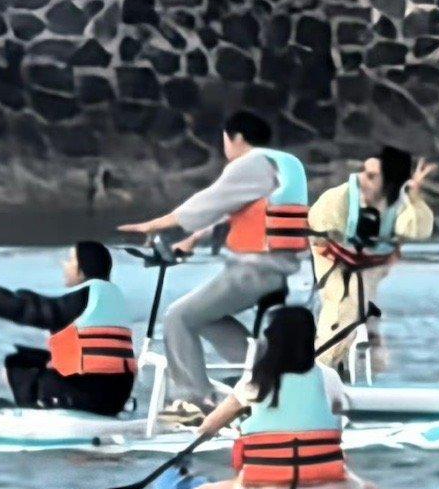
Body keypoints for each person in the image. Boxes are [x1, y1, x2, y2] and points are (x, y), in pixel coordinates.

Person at [119, 110, 311, 426]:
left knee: (178, 317)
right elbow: (237, 211)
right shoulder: (284, 165)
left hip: (256, 270)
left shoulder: (251, 163)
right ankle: (271, 368)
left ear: (234, 138)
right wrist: (193, 239)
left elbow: (210, 201)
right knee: (204, 317)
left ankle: (193, 400)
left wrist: (153, 225)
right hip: (283, 269)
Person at [165, 306, 384, 489]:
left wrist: (210, 431)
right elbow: (335, 428)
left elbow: (209, 427)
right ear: (311, 338)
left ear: (271, 341)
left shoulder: (256, 380)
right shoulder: (329, 377)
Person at [0, 240, 136, 416]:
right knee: (33, 359)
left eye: (71, 260)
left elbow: (28, 308)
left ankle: (38, 412)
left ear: (83, 269)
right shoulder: (113, 296)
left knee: (17, 366)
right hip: (117, 395)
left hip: (88, 394)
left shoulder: (81, 299)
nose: (64, 264)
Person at [309, 147, 436, 375]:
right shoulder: (339, 199)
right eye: (363, 172)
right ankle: (314, 374)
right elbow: (318, 231)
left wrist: (414, 195)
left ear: (389, 183)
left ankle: (349, 377)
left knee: (369, 327)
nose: (361, 179)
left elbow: (417, 229)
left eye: (371, 176)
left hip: (370, 269)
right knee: (344, 314)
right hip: (334, 264)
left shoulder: (399, 205)